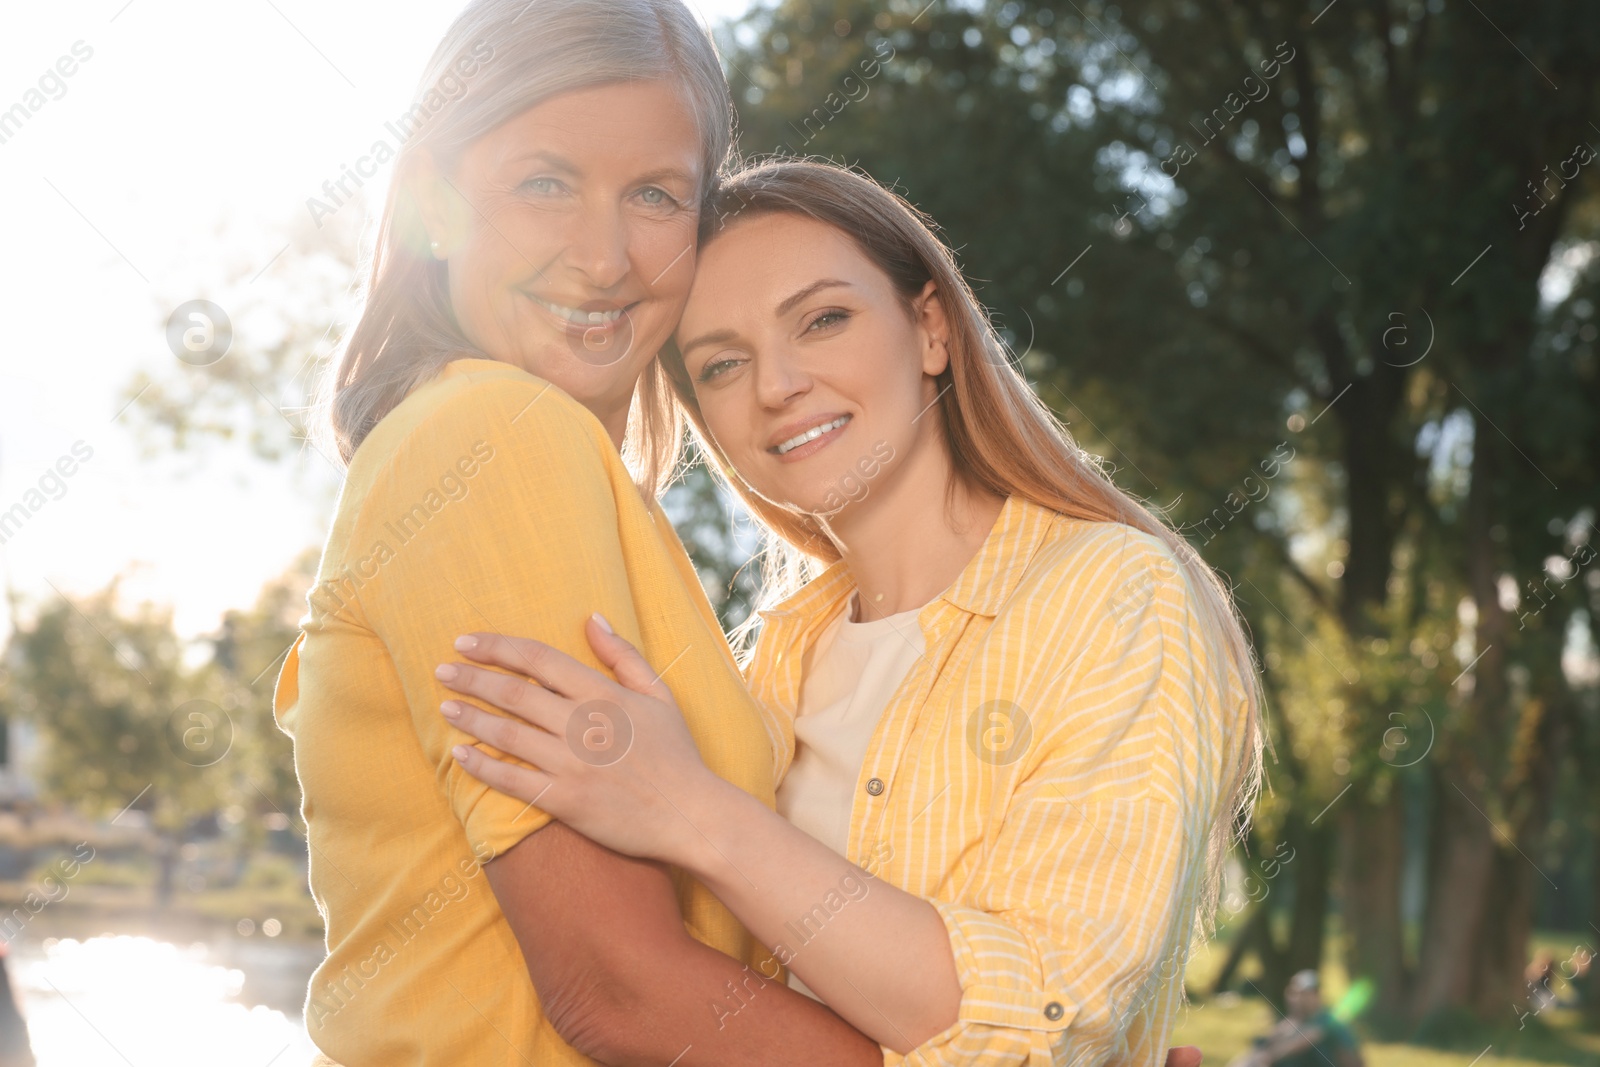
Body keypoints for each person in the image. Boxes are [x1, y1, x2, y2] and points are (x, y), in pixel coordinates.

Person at [276, 1, 1213, 1064]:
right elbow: (623, 990)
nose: (604, 256)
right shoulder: (494, 433)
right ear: (432, 204)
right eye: (545, 181)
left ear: (933, 326)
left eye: (656, 194)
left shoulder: (786, 643)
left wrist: (695, 811)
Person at [437, 159, 1265, 1063]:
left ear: (932, 330)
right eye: (722, 363)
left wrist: (691, 810)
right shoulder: (772, 668)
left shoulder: (1114, 597)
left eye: (823, 319)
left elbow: (1039, 1019)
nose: (777, 385)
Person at [1231, 971, 1362, 1067]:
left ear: (1317, 995)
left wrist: (1270, 1057)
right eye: (1294, 993)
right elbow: (1274, 1037)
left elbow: (1304, 1040)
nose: (1298, 999)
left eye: (1304, 994)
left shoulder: (1327, 1018)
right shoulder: (1298, 1020)